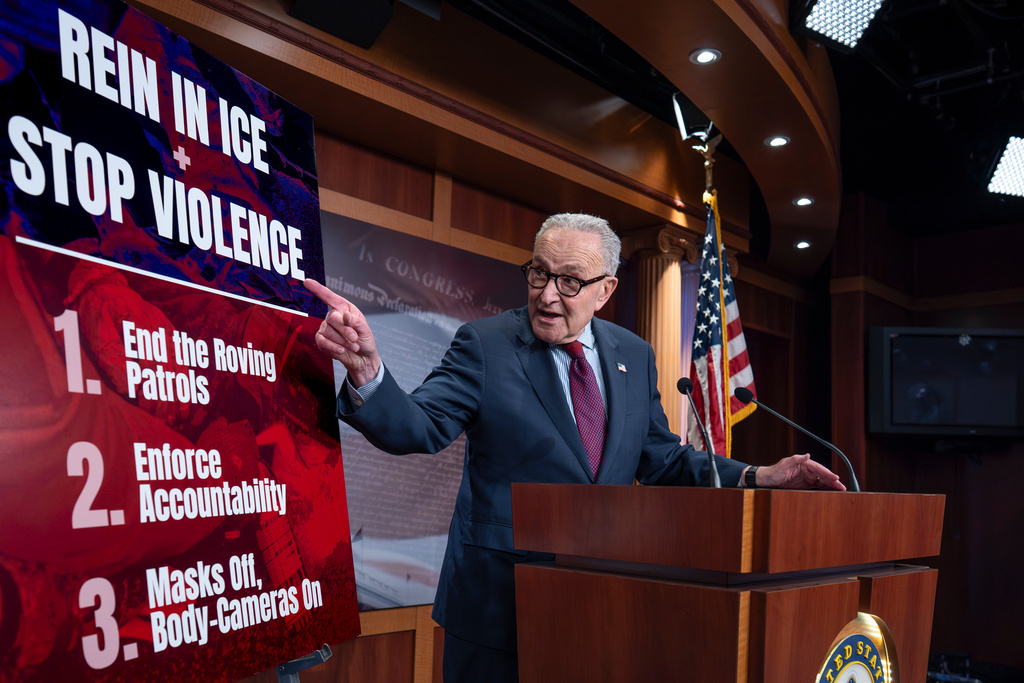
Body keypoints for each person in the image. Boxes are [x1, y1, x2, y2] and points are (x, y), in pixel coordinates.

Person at [305, 213, 845, 682]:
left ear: (605, 290)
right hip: (496, 609)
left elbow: (664, 459)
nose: (545, 294)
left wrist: (757, 476)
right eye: (539, 273)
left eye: (568, 281)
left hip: (598, 606)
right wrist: (368, 371)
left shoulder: (633, 353)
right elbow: (417, 427)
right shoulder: (485, 344)